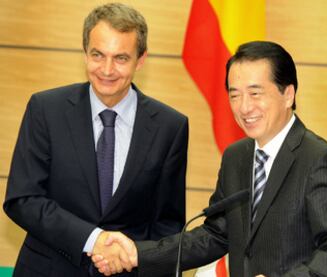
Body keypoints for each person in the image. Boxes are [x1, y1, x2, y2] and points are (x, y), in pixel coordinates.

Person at [93, 41, 327, 277]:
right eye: (235, 95)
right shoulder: (236, 157)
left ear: (288, 94)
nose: (244, 107)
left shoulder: (319, 160)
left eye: (255, 93)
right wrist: (139, 253)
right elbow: (215, 235)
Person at [3, 3, 188, 276]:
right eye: (98, 55)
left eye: (121, 58)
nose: (107, 69)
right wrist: (94, 239)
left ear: (141, 59)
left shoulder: (170, 126)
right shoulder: (46, 109)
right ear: (85, 53)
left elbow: (167, 226)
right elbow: (23, 199)